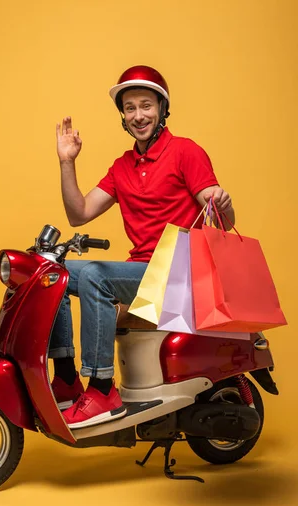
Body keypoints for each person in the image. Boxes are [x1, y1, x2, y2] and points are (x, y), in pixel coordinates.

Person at [50, 65, 235, 430]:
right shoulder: (123, 166)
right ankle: (67, 376)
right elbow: (79, 214)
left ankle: (102, 388)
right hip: (141, 275)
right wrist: (67, 163)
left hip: (179, 274)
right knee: (48, 271)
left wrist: (223, 204)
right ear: (123, 116)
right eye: (130, 108)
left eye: (146, 106)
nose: (139, 116)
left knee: (98, 277)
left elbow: (221, 221)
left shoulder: (185, 152)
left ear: (162, 109)